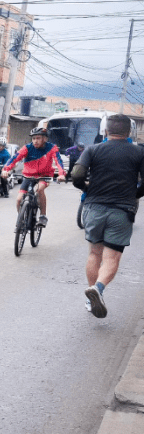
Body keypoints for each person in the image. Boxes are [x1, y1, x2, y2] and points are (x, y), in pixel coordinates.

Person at [70, 114, 144, 318]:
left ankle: (90, 297)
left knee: (95, 253)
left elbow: (77, 174)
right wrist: (134, 194)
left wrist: (85, 188)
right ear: (129, 132)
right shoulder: (139, 152)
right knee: (112, 257)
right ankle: (98, 288)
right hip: (122, 210)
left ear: (105, 130)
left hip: (94, 208)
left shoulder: (92, 149)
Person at [2, 127, 66, 227]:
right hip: (28, 176)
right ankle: (21, 219)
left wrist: (61, 174)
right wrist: (6, 169)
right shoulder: (27, 148)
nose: (35, 141)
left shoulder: (52, 148)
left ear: (45, 139)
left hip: (44, 176)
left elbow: (58, 161)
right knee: (19, 199)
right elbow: (15, 158)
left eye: (38, 138)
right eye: (33, 138)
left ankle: (43, 216)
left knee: (40, 190)